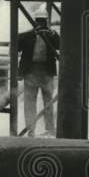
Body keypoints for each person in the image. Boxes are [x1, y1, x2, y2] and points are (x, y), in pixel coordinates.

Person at [16, 8, 60, 136]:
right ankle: (31, 129)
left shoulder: (51, 36)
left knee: (48, 102)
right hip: (31, 72)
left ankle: (50, 128)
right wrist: (31, 33)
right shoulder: (28, 36)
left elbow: (61, 44)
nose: (41, 24)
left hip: (46, 73)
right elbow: (16, 45)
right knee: (30, 103)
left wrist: (53, 34)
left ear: (46, 22)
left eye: (43, 21)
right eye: (39, 21)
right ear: (35, 21)